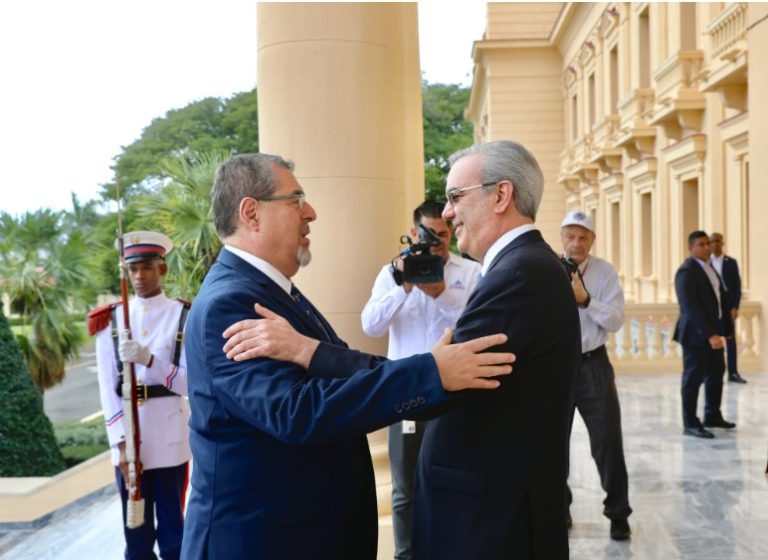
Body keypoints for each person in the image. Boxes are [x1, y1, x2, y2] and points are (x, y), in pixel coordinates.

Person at [181, 153, 515, 559]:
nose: (311, 212)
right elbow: (294, 413)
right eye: (296, 199)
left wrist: (428, 372)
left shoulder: (272, 291)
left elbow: (339, 365)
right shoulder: (229, 302)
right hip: (264, 541)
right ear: (251, 212)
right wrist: (429, 373)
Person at [361, 201, 480, 560]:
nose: (436, 244)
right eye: (428, 236)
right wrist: (405, 286)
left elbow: (474, 327)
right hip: (407, 393)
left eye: (443, 236)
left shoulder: (471, 273)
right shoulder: (392, 273)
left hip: (454, 391)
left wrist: (440, 294)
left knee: (455, 480)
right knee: (405, 489)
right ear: (414, 233)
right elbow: (370, 325)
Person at [87, 231, 191, 560]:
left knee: (175, 535)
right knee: (136, 534)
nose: (138, 276)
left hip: (170, 439)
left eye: (146, 267)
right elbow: (107, 388)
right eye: (132, 269)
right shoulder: (112, 319)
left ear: (162, 269)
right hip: (130, 444)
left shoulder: (183, 316)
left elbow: (190, 384)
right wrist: (120, 441)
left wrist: (150, 361)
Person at [560, 210, 632, 541]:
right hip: (556, 365)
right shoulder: (547, 270)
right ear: (562, 238)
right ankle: (560, 509)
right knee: (552, 443)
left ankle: (618, 513)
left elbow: (616, 320)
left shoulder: (604, 273)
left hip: (594, 366)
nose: (576, 243)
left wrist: (586, 300)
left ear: (592, 240)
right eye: (570, 236)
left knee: (607, 443)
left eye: (583, 237)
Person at [673, 231, 735, 439]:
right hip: (695, 335)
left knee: (717, 372)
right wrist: (709, 334)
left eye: (708, 243)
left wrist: (725, 331)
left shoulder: (709, 268)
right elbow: (690, 306)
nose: (707, 247)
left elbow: (720, 300)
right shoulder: (687, 271)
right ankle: (690, 423)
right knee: (693, 378)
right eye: (701, 244)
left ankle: (712, 415)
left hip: (714, 333)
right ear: (691, 249)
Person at [710, 232, 747, 384]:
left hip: (727, 308)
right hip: (712, 308)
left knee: (731, 341)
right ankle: (710, 373)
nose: (715, 244)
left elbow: (737, 287)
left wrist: (735, 307)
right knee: (711, 340)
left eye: (718, 241)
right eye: (712, 242)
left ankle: (733, 373)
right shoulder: (707, 263)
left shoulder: (731, 262)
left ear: (722, 243)